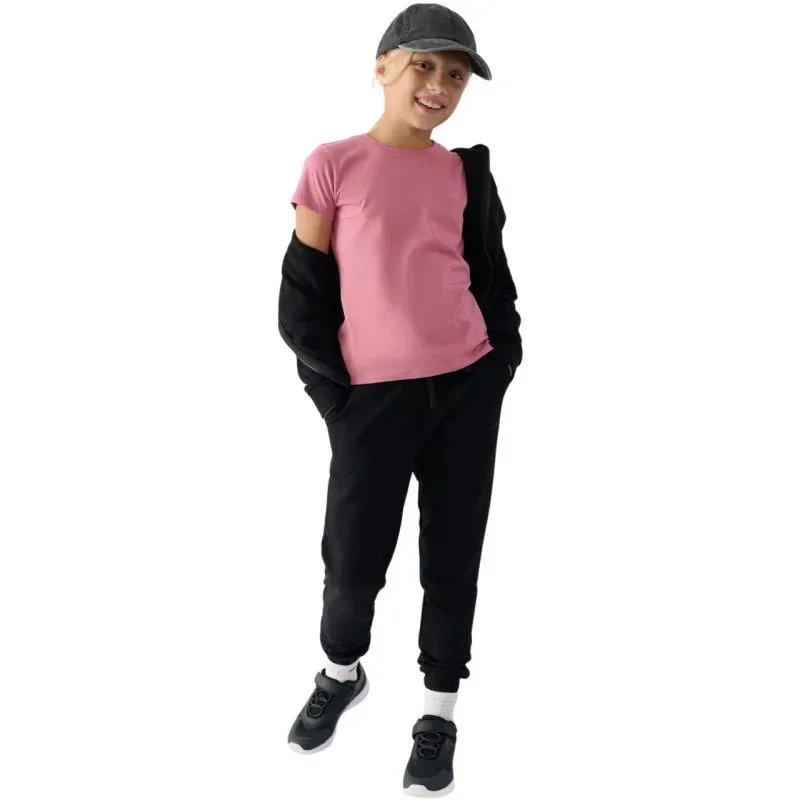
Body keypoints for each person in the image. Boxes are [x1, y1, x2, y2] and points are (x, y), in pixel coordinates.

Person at [278, 4, 522, 795]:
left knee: (452, 559)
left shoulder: (464, 173)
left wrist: (499, 362)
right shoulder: (332, 165)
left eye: (456, 74)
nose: (439, 85)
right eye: (425, 65)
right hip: (370, 405)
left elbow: (491, 277)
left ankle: (437, 715)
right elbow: (301, 298)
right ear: (383, 67)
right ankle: (341, 673)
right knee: (352, 562)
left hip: (467, 389)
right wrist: (335, 398)